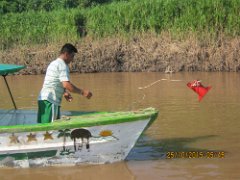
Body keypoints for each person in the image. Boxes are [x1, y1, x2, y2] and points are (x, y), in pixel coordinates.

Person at [37, 43, 92, 123]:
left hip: (43, 99)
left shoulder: (53, 63)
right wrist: (83, 92)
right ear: (66, 54)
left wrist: (64, 92)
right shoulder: (62, 65)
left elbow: (52, 82)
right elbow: (66, 84)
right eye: (72, 56)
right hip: (51, 101)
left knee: (44, 128)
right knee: (50, 129)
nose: (72, 59)